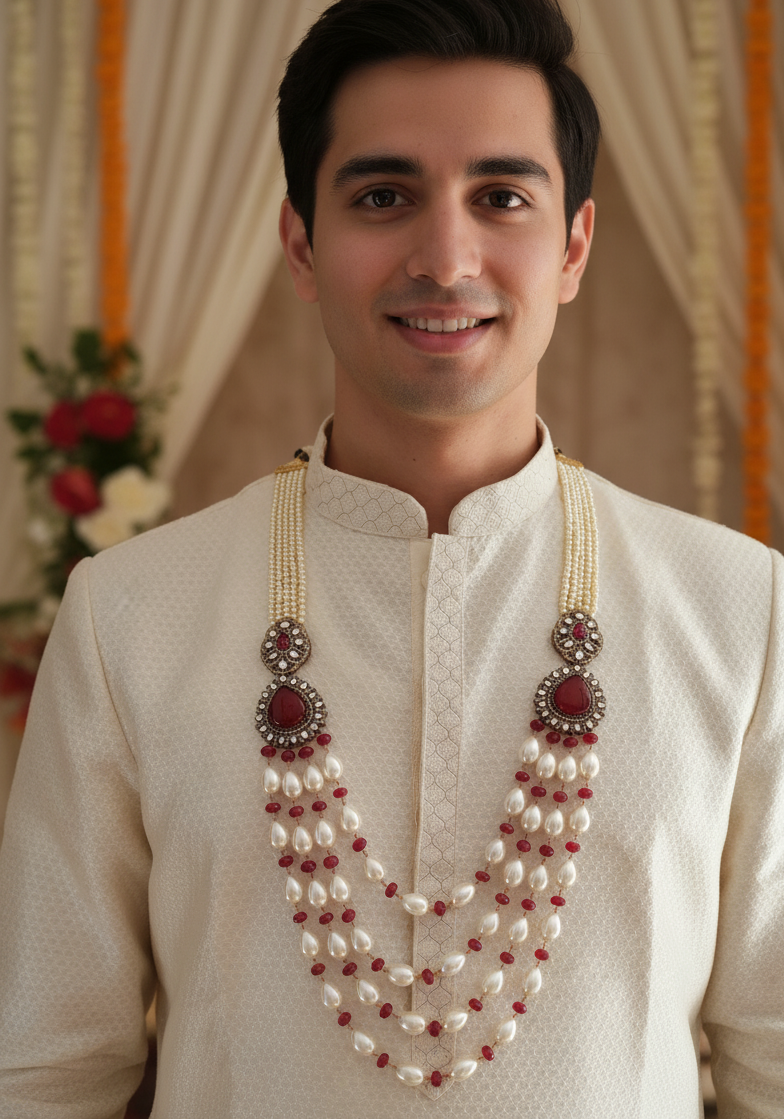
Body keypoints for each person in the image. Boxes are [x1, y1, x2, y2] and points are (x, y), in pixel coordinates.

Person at [1, 0, 782, 1115]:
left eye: (500, 197)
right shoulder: (132, 614)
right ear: (302, 245)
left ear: (572, 247)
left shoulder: (738, 610)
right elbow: (42, 1073)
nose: (445, 256)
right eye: (383, 197)